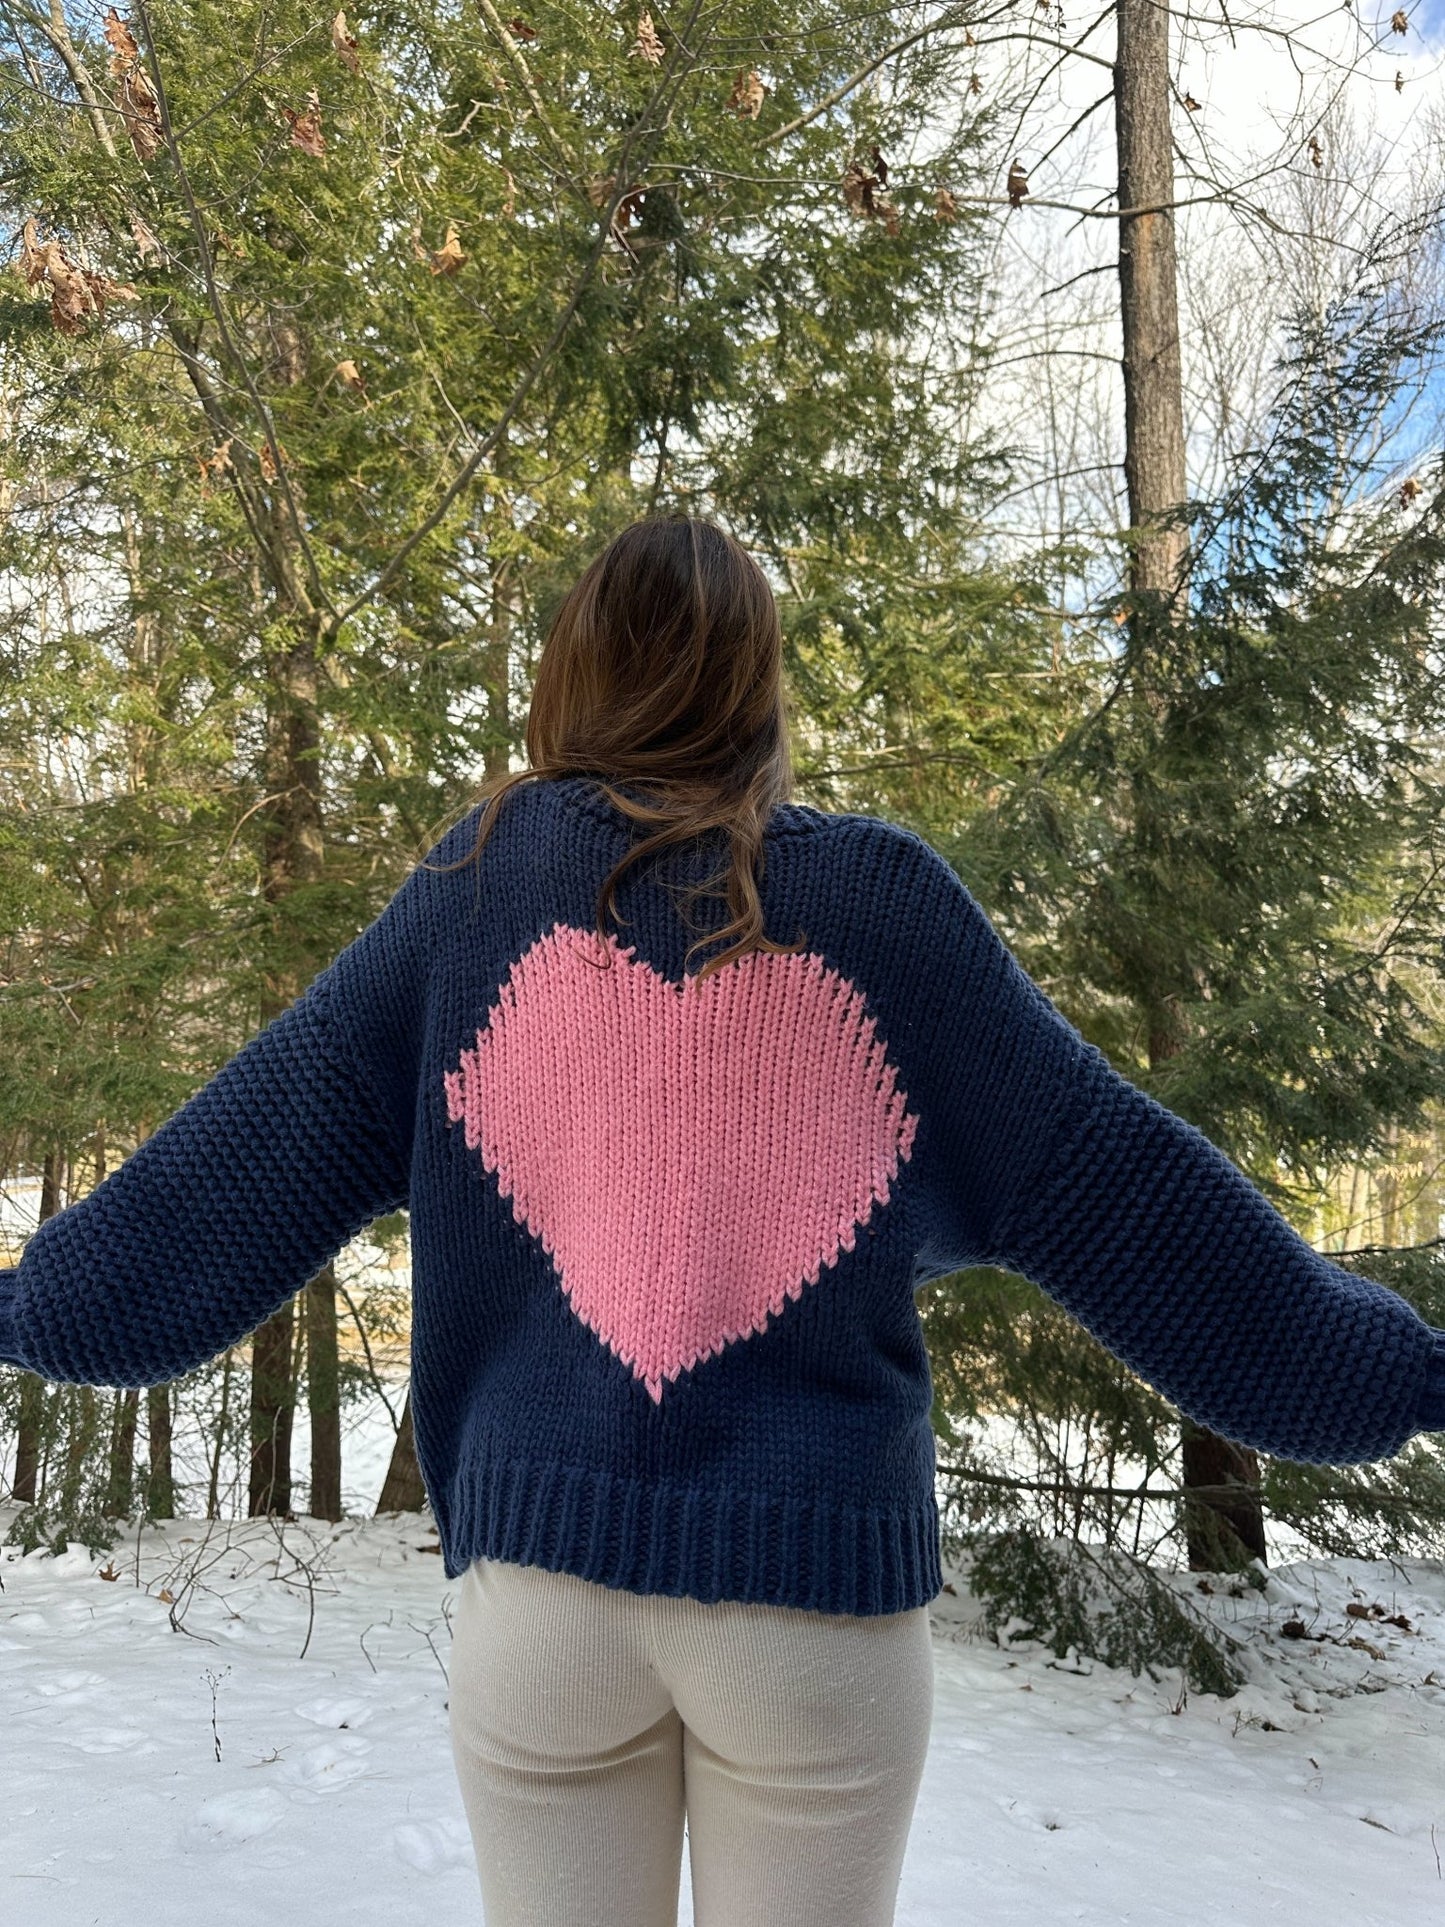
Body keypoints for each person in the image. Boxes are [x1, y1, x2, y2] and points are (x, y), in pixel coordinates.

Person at [3, 513, 1443, 1927]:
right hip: (816, 1617)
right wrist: (1388, 1376)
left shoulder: (471, 889)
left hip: (543, 1606)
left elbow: (223, 1180)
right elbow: (1126, 1195)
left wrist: (33, 1305)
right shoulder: (886, 910)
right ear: (757, 691)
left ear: (565, 678)